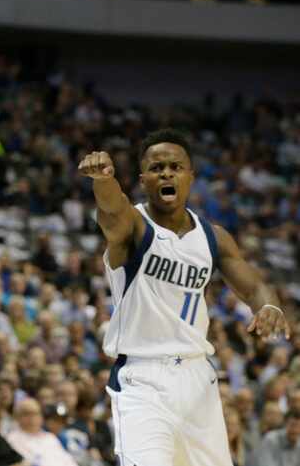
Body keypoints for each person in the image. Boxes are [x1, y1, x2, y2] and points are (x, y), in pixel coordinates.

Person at [78, 128, 292, 466]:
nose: (166, 172)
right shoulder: (134, 226)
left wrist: (268, 306)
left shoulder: (213, 237)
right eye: (156, 167)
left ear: (190, 177)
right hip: (142, 379)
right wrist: (103, 181)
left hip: (197, 380)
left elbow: (253, 287)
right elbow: (111, 211)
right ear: (143, 179)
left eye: (175, 167)